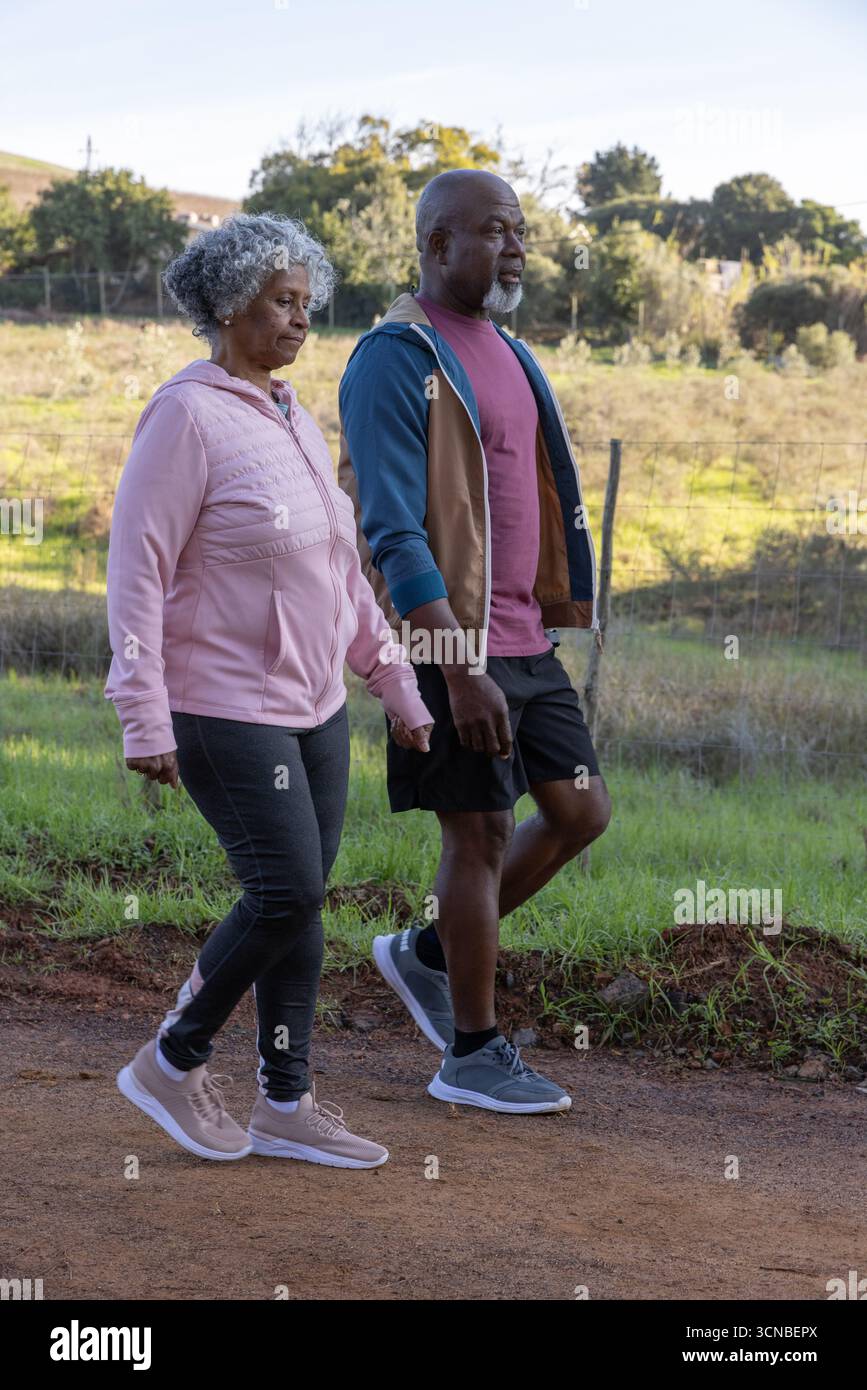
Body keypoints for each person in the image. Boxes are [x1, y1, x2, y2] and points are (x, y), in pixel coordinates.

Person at [105, 213, 433, 1166]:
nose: (299, 322)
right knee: (283, 890)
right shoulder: (185, 415)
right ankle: (173, 1058)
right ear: (225, 304)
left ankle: (285, 1103)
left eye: (305, 304)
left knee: (304, 902)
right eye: (281, 302)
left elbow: (339, 571)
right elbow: (137, 569)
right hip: (220, 707)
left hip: (314, 708)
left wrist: (394, 686)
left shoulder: (292, 414)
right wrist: (142, 710)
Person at [338, 170, 611, 1115]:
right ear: (437, 244)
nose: (515, 246)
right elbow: (390, 525)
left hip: (526, 640)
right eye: (494, 230)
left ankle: (425, 952)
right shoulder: (392, 355)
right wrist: (455, 670)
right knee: (481, 830)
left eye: (520, 229)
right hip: (449, 643)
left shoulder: (511, 351)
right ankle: (470, 1051)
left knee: (580, 813)